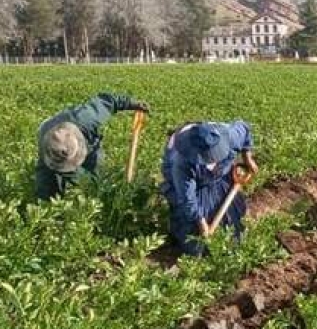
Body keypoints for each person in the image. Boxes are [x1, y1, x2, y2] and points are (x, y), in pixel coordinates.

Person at [160, 121, 258, 256]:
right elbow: (188, 199)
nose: (210, 159)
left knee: (232, 226)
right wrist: (202, 223)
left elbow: (244, 129)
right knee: (195, 242)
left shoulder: (230, 136)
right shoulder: (181, 163)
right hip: (190, 186)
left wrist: (248, 158)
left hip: (217, 179)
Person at [36, 92, 150, 200]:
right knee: (47, 186)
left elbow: (109, 101)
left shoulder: (85, 118)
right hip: (52, 148)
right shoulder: (48, 149)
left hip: (85, 140)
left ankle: (99, 194)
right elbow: (44, 180)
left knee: (96, 178)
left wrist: (131, 103)